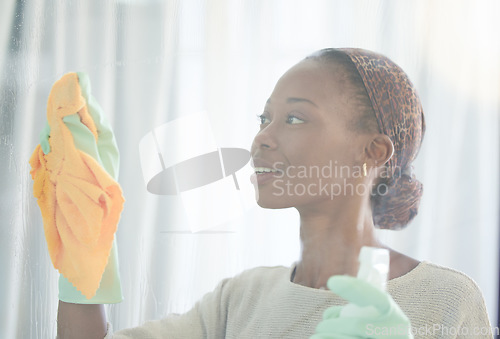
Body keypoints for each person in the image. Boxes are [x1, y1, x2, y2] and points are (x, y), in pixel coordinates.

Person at [51, 48, 491, 338]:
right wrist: (85, 241)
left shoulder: (446, 300)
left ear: (372, 151)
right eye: (263, 119)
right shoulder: (240, 300)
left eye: (295, 119)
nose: (262, 138)